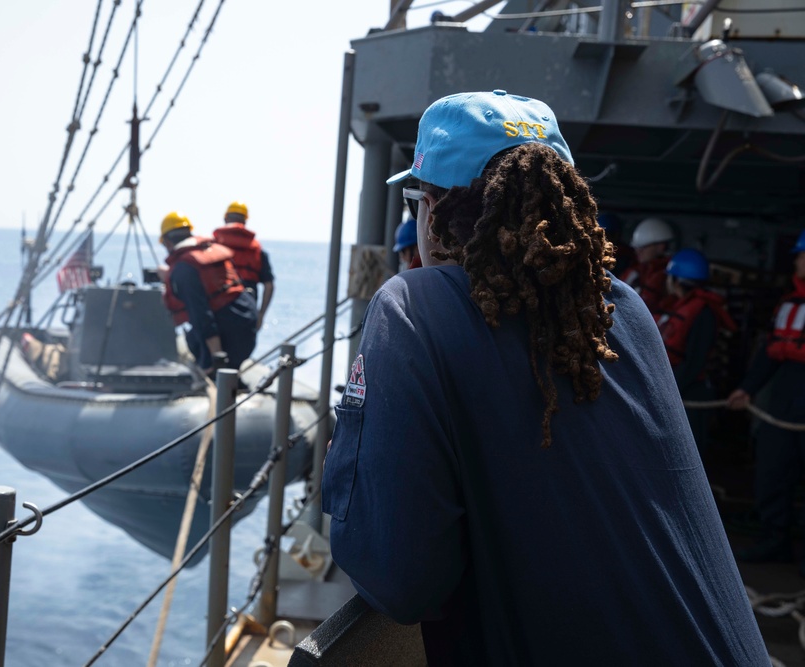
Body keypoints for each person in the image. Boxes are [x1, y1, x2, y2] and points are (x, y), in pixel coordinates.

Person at [321, 90, 768, 664]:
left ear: (430, 212)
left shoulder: (412, 307)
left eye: (414, 204)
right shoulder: (625, 309)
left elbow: (398, 581)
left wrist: (354, 461)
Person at [728, 230, 805, 573]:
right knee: (773, 472)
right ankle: (776, 542)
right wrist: (747, 388)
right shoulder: (789, 304)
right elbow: (769, 353)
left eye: (802, 255)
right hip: (784, 401)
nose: (797, 261)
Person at [158, 211, 257, 374]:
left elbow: (201, 315)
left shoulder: (183, 269)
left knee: (199, 350)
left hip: (228, 333)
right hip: (247, 321)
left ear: (167, 243)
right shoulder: (210, 250)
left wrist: (216, 358)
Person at [658, 248, 736, 455]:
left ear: (676, 280)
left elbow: (694, 362)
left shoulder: (704, 313)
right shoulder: (682, 307)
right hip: (677, 386)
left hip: (691, 392)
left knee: (687, 452)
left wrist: (666, 392)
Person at [212, 201, 274, 331]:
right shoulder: (258, 251)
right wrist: (261, 314)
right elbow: (269, 285)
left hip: (218, 311)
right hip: (247, 312)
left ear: (225, 219)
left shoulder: (213, 246)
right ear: (245, 221)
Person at [620, 217, 675, 317]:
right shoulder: (635, 270)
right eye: (637, 247)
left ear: (661, 246)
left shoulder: (670, 276)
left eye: (644, 247)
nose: (638, 251)